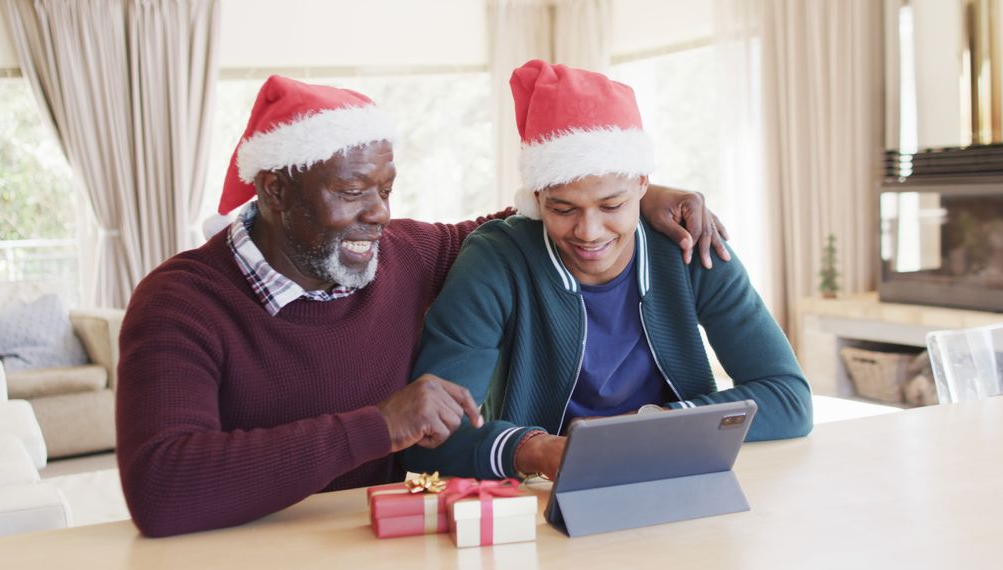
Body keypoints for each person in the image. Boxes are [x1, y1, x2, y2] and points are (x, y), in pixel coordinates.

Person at [116, 74, 728, 537]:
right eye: (353, 193)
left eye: (385, 190)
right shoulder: (180, 304)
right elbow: (161, 488)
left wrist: (645, 194)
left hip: (400, 541)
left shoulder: (406, 251)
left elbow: (537, 221)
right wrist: (379, 426)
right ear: (275, 190)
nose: (379, 212)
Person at [403, 60, 813, 481]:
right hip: (541, 498)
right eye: (562, 209)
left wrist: (646, 427)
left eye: (612, 206)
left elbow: (789, 399)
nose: (589, 232)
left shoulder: (690, 246)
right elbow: (432, 441)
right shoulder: (494, 262)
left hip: (679, 476)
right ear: (537, 196)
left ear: (642, 184)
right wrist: (536, 450)